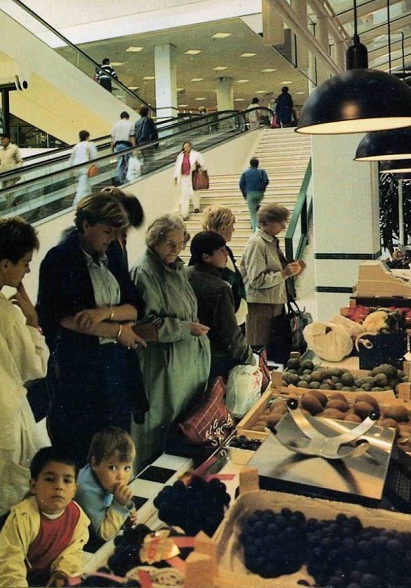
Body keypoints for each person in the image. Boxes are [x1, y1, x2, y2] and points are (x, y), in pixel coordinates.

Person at [37, 194, 147, 466]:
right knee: (85, 446)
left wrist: (104, 313)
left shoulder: (112, 254)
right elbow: (66, 318)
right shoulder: (59, 259)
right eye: (107, 231)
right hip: (81, 371)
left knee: (117, 444)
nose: (112, 238)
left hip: (116, 367)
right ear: (86, 226)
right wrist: (120, 332)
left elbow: (136, 306)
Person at [0, 217, 49, 532]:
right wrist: (32, 320)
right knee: (3, 512)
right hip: (1, 422)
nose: (27, 271)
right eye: (24, 263)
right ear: (5, 265)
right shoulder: (6, 314)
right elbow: (35, 367)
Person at [131, 214, 211, 467]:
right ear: (155, 241)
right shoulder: (144, 273)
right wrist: (186, 328)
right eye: (169, 244)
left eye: (180, 245)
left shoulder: (176, 270)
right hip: (162, 368)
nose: (175, 250)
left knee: (181, 428)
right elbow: (143, 327)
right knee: (157, 433)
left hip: (185, 366)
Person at [0, 446, 89, 588]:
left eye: (67, 480)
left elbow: (73, 549)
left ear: (75, 489)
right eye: (50, 479)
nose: (59, 486)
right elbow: (8, 566)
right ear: (33, 486)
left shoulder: (77, 516)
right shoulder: (22, 517)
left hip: (39, 576)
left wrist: (62, 571)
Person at [187, 231, 255, 380]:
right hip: (217, 356)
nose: (226, 254)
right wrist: (249, 358)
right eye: (221, 251)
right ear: (206, 257)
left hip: (190, 353)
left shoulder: (185, 275)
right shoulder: (220, 288)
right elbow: (230, 332)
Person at [240, 203, 304, 351]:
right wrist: (284, 274)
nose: (283, 225)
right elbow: (256, 280)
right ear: (266, 222)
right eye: (280, 221)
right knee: (259, 346)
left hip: (274, 302)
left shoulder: (270, 241)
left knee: (274, 346)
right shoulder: (257, 244)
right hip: (260, 305)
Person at [75, 428, 136, 541]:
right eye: (112, 468)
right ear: (94, 464)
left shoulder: (105, 478)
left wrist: (126, 511)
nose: (121, 476)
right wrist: (120, 505)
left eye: (127, 468)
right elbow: (104, 534)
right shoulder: (87, 492)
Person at [201, 205, 247, 330]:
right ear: (223, 228)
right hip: (226, 321)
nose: (234, 230)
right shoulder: (209, 254)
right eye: (232, 226)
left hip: (236, 317)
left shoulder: (227, 251)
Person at [173, 141, 206, 220]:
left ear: (190, 147)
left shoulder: (196, 155)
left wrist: (198, 165)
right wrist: (175, 177)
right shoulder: (180, 156)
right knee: (184, 196)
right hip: (184, 178)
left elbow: (202, 164)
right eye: (184, 147)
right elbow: (177, 167)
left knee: (194, 193)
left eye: (187, 147)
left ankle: (196, 207)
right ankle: (184, 214)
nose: (186, 149)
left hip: (193, 176)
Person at [68, 130, 98, 207]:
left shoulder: (76, 146)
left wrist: (70, 170)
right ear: (87, 137)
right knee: (84, 187)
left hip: (77, 168)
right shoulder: (90, 144)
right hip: (85, 168)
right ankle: (78, 203)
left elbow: (71, 158)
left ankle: (87, 202)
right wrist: (96, 165)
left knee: (85, 185)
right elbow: (94, 156)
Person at [239, 157, 270, 230]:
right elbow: (266, 181)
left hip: (250, 194)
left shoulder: (245, 173)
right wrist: (262, 188)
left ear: (250, 164)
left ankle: (255, 230)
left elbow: (241, 184)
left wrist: (244, 193)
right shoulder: (262, 171)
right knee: (255, 206)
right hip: (259, 194)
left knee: (252, 214)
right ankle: (257, 208)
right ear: (257, 164)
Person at [110, 111, 136, 185]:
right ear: (128, 117)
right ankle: (128, 179)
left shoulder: (115, 125)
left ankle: (119, 180)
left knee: (120, 163)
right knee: (128, 162)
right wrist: (134, 148)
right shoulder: (130, 124)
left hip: (118, 146)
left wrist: (112, 149)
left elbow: (112, 138)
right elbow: (132, 137)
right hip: (127, 145)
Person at [134, 105, 158, 173]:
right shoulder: (149, 120)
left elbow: (135, 134)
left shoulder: (137, 122)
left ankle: (145, 171)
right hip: (148, 142)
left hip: (140, 143)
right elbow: (153, 132)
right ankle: (147, 172)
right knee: (149, 158)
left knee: (145, 158)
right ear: (147, 112)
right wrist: (156, 143)